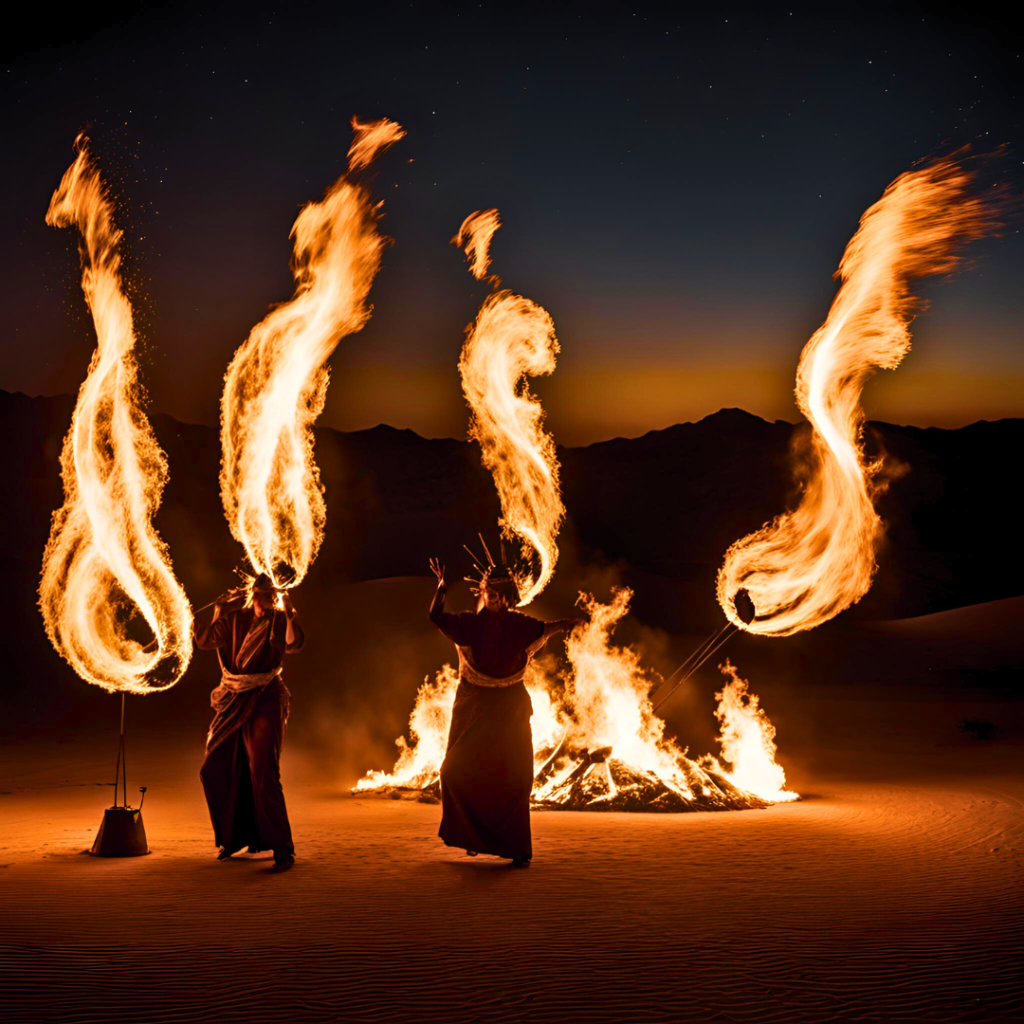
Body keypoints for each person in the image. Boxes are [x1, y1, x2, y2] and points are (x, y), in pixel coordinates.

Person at [428, 556, 579, 867]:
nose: (492, 595)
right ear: (482, 593)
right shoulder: (470, 625)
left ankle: (518, 850)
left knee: (514, 780)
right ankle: (470, 837)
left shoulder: (520, 625)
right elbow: (437, 617)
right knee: (453, 772)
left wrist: (567, 624)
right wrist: (441, 590)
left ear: (508, 595)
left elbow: (545, 630)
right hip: (476, 709)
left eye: (498, 591)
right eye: (488, 590)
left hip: (510, 712)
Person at [195, 573, 304, 873]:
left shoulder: (278, 619)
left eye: (272, 597)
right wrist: (211, 612)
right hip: (235, 699)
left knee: (261, 770)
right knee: (214, 767)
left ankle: (283, 850)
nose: (267, 603)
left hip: (267, 697)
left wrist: (290, 613)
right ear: (253, 594)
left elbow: (292, 646)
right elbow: (207, 640)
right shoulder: (235, 617)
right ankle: (234, 838)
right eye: (263, 596)